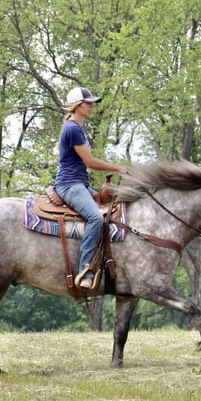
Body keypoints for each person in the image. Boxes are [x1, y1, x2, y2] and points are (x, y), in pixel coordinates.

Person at [55, 87, 127, 291]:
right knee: (95, 217)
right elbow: (89, 161)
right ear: (77, 106)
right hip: (70, 185)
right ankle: (86, 270)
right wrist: (117, 167)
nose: (91, 106)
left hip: (79, 184)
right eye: (87, 103)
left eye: (91, 103)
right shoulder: (73, 129)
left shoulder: (78, 127)